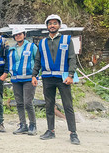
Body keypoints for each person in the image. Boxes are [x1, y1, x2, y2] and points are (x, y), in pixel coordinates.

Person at [32, 14, 80, 145]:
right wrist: (34, 75)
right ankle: (50, 131)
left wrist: (70, 75)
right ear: (47, 26)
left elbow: (72, 59)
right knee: (49, 105)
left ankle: (73, 133)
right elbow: (37, 61)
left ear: (59, 25)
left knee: (68, 105)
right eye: (50, 23)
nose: (52, 25)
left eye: (55, 23)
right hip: (47, 78)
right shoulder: (42, 42)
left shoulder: (66, 40)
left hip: (63, 79)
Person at [8, 27, 38, 136]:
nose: (18, 36)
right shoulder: (11, 49)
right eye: (16, 35)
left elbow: (38, 61)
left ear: (24, 35)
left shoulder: (31, 46)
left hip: (29, 79)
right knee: (19, 103)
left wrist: (36, 76)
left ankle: (33, 125)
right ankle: (23, 125)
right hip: (16, 80)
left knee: (28, 102)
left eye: (20, 34)